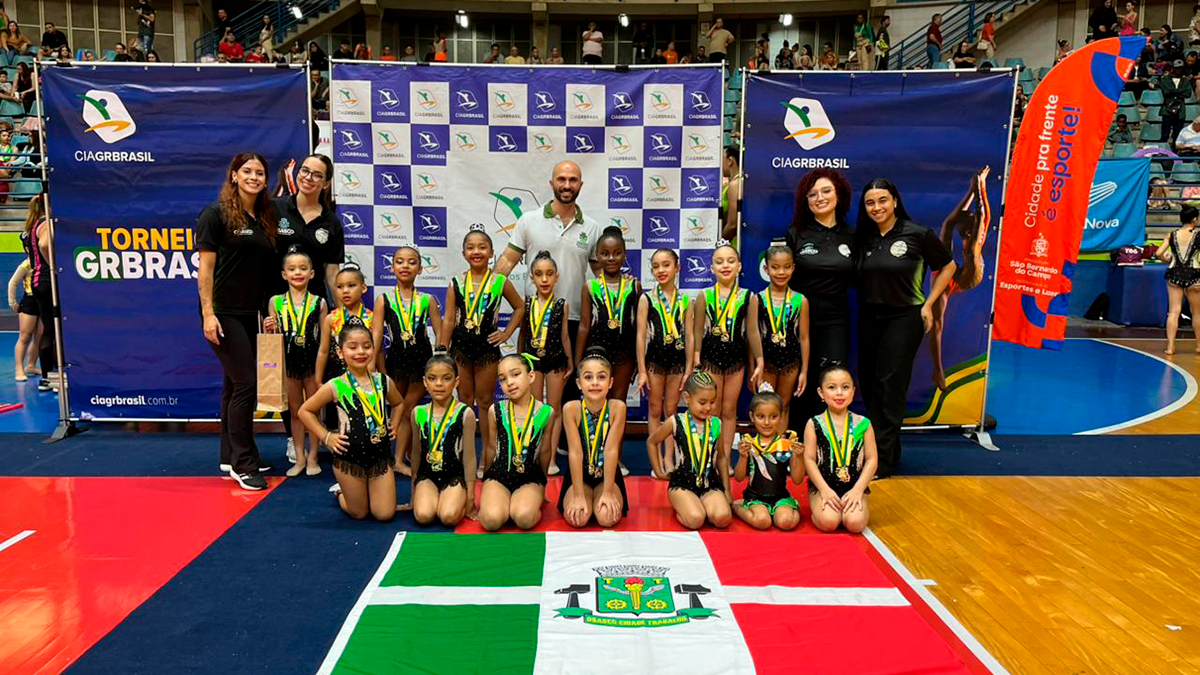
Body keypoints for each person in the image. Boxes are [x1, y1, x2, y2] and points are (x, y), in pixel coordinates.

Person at [855, 179, 956, 478]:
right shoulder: (864, 237)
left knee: (890, 387)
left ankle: (880, 462)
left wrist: (929, 304)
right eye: (870, 202)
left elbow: (949, 266)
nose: (877, 207)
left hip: (904, 318)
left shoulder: (917, 233)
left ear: (895, 201)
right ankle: (890, 450)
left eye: (883, 200)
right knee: (871, 385)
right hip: (869, 317)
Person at [495, 161, 602, 429]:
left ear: (580, 185)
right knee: (530, 392)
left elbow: (601, 273)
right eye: (561, 179)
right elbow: (506, 263)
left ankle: (564, 444)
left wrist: (623, 284)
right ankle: (531, 444)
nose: (567, 185)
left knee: (569, 391)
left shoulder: (592, 227)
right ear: (551, 183)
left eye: (573, 180)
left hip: (574, 319)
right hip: (534, 320)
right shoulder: (529, 221)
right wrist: (481, 288)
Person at [197, 153, 278, 491]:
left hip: (250, 313)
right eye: (247, 171)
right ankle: (244, 465)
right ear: (234, 175)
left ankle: (230, 455)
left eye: (259, 172)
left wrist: (267, 311)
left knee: (234, 384)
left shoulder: (264, 217)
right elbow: (205, 269)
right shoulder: (215, 214)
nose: (253, 177)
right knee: (246, 383)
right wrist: (208, 314)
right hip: (223, 311)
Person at [299, 318, 404, 521]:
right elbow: (305, 411)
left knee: (384, 514)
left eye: (366, 346)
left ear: (373, 349)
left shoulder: (383, 381)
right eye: (352, 347)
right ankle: (340, 492)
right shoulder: (336, 386)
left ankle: (365, 490)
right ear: (340, 352)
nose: (360, 352)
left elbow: (399, 404)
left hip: (380, 458)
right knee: (359, 513)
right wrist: (326, 437)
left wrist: (395, 424)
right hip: (349, 459)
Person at [443, 225, 526, 466]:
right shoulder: (456, 283)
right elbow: (449, 320)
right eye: (471, 248)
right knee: (464, 401)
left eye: (482, 247)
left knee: (485, 401)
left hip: (487, 352)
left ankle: (486, 458)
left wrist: (506, 333)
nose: (476, 251)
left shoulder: (499, 281)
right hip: (460, 350)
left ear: (491, 253)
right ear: (463, 254)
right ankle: (464, 455)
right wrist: (442, 350)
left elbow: (520, 307)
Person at [785, 170, 855, 428]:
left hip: (835, 320)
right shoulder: (796, 234)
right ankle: (795, 441)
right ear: (806, 201)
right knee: (797, 381)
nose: (820, 198)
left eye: (826, 191)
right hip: (797, 320)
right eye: (812, 194)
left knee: (832, 381)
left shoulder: (853, 235)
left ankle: (827, 440)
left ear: (839, 195)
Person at [693, 241, 763, 474]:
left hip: (735, 362)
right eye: (719, 262)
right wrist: (696, 357)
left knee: (729, 410)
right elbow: (697, 330)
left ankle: (724, 460)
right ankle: (710, 458)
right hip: (710, 360)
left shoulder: (749, 296)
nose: (725, 266)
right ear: (711, 267)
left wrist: (760, 360)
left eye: (731, 261)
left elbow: (753, 331)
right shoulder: (704, 295)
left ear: (739, 266)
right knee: (711, 410)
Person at [373, 245, 443, 475]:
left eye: (412, 262)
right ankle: (403, 455)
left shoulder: (427, 300)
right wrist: (375, 366)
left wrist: (440, 363)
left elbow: (440, 333)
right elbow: (376, 336)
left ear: (420, 269)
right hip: (395, 362)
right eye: (400, 262)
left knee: (407, 408)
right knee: (397, 408)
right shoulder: (383, 299)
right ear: (392, 267)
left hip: (421, 362)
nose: (405, 266)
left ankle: (399, 458)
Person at [929, 168, 992, 391]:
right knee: (937, 324)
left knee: (949, 227)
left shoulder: (973, 244)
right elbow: (968, 217)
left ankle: (937, 370)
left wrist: (978, 187)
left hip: (969, 276)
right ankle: (937, 369)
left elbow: (980, 214)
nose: (972, 217)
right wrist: (976, 188)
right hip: (955, 275)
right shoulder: (971, 239)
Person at [269, 246, 327, 477]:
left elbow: (324, 341)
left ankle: (313, 456)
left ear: (311, 273)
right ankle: (300, 457)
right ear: (284, 275)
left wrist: (321, 371)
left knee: (312, 411)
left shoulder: (319, 303)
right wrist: (270, 328)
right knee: (295, 412)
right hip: (289, 364)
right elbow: (273, 338)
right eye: (292, 269)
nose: (298, 273)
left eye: (303, 268)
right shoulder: (276, 302)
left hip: (312, 364)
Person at [478, 354, 554, 531]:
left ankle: (525, 503)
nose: (509, 382)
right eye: (503, 379)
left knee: (524, 518)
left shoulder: (546, 412)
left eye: (515, 374)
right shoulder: (496, 410)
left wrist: (542, 483)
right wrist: (486, 480)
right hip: (499, 475)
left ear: (531, 376)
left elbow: (545, 451)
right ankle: (500, 502)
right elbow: (491, 448)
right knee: (491, 521)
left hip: (529, 477)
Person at [646, 370, 730, 529]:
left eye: (712, 402)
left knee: (723, 518)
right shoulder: (676, 422)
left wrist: (727, 491)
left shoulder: (716, 423)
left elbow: (721, 458)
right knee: (695, 519)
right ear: (687, 398)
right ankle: (685, 506)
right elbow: (652, 441)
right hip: (682, 483)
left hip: (709, 483)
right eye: (702, 402)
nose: (708, 407)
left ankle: (702, 504)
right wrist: (658, 471)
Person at [636, 249, 693, 475]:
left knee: (671, 410)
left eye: (666, 265)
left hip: (677, 363)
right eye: (656, 266)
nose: (661, 270)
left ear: (677, 267)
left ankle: (669, 458)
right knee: (654, 408)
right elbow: (640, 336)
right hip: (655, 362)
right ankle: (656, 460)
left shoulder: (686, 300)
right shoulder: (647, 299)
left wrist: (689, 368)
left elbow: (690, 337)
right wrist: (642, 370)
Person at [559, 348, 628, 527]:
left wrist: (608, 492)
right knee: (579, 518)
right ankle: (583, 496)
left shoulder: (617, 408)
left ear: (610, 382)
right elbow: (575, 452)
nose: (595, 383)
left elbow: (611, 450)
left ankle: (602, 494)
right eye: (588, 377)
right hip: (579, 475)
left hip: (607, 476)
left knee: (606, 518)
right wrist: (578, 495)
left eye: (601, 377)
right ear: (579, 383)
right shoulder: (571, 409)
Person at [803, 364, 877, 533]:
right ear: (821, 393)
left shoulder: (864, 424)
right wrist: (824, 490)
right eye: (831, 387)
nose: (839, 393)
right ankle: (821, 510)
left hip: (854, 485)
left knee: (855, 524)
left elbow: (872, 459)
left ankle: (852, 505)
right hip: (823, 486)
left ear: (853, 391)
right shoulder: (814, 424)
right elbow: (809, 460)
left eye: (845, 387)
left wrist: (858, 490)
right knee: (828, 522)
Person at [518, 251, 572, 475]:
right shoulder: (526, 303)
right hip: (532, 361)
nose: (544, 279)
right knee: (537, 409)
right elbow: (523, 334)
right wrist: (519, 360)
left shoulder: (562, 304)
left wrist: (570, 362)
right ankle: (535, 454)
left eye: (549, 274)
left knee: (554, 409)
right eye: (539, 274)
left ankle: (550, 458)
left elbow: (565, 336)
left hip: (555, 360)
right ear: (531, 277)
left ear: (556, 277)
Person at [410, 351, 477, 527]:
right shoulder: (418, 413)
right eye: (432, 378)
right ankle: (432, 497)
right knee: (423, 516)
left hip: (453, 475)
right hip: (427, 476)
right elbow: (416, 453)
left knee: (448, 517)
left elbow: (469, 458)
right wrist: (413, 492)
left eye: (446, 379)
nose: (439, 384)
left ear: (456, 382)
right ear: (425, 382)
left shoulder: (465, 413)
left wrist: (470, 498)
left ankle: (455, 498)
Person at [577, 227, 639, 407]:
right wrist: (577, 361)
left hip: (624, 355)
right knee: (596, 403)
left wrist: (638, 360)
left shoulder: (634, 286)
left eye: (617, 253)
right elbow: (584, 326)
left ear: (624, 255)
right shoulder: (590, 287)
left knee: (618, 402)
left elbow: (638, 328)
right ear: (597, 256)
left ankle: (617, 429)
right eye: (605, 254)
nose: (611, 258)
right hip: (596, 351)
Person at [755, 244, 810, 432]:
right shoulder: (758, 299)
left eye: (786, 267)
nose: (781, 272)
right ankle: (765, 447)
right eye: (775, 267)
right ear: (766, 268)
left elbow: (804, 338)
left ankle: (779, 447)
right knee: (765, 405)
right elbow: (753, 337)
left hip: (790, 363)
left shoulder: (800, 300)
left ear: (793, 268)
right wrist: (753, 367)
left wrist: (804, 371)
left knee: (783, 406)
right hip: (766, 363)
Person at [733, 385, 803, 530]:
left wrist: (799, 457)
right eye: (761, 416)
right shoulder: (750, 444)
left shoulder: (786, 444)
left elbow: (797, 480)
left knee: (786, 523)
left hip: (780, 497)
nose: (766, 422)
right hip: (756, 497)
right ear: (752, 416)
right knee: (762, 522)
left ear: (781, 416)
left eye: (773, 416)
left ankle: (791, 508)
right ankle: (737, 506)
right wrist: (743, 457)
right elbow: (739, 478)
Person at [315, 265, 372, 410]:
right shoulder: (331, 318)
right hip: (336, 375)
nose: (345, 291)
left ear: (363, 288)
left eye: (351, 285)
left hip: (364, 375)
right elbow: (323, 351)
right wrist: (318, 380)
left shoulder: (372, 318)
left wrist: (378, 375)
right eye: (339, 287)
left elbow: (377, 351)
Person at [1156, 206, 1200, 354]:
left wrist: (1167, 260)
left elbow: (1159, 253)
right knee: (1197, 313)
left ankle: (1170, 347)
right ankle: (1199, 346)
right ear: (1195, 219)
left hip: (1174, 273)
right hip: (1194, 274)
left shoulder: (1172, 234)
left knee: (1174, 312)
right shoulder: (1198, 235)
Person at [8, 259, 40, 382]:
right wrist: (13, 303)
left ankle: (31, 365)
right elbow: (12, 283)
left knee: (39, 337)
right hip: (30, 302)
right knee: (25, 336)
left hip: (43, 301)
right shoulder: (27, 264)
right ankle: (19, 368)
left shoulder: (47, 262)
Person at [1160, 61, 1191, 150]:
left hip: (1180, 110)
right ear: (1173, 68)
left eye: (1180, 68)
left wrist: (1172, 91)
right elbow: (1166, 92)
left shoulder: (1185, 80)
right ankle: (1162, 152)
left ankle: (1175, 153)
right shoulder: (1165, 79)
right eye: (1177, 68)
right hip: (1167, 109)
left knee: (1177, 135)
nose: (1178, 70)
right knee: (1165, 134)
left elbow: (1188, 93)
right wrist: (1181, 91)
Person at [721, 146, 742, 242]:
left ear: (730, 161)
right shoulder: (738, 182)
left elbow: (733, 224)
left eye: (722, 159)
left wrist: (721, 242)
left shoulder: (735, 185)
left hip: (734, 242)